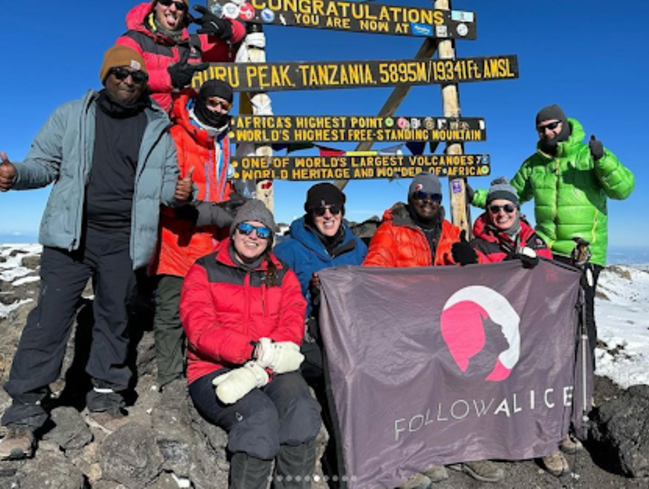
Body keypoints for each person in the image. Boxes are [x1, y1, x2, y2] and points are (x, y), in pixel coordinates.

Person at [0, 45, 192, 460]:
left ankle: (105, 398)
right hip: (70, 238)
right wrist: (16, 176)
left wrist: (178, 194)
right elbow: (43, 164)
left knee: (115, 318)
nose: (129, 82)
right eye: (121, 74)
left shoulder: (157, 127)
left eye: (138, 78)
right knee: (49, 321)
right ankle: (23, 411)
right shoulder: (71, 115)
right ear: (106, 75)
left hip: (124, 241)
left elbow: (169, 182)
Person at [470, 104, 635, 369]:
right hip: (545, 249)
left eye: (552, 126)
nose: (547, 132)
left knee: (582, 315)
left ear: (564, 124)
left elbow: (623, 189)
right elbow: (512, 195)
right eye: (541, 128)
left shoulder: (587, 155)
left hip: (583, 253)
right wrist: (474, 196)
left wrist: (603, 159)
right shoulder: (534, 163)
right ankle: (551, 371)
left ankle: (583, 377)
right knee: (544, 313)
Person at [364, 173, 504, 484]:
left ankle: (466, 447)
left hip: (446, 323)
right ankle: (417, 453)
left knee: (474, 369)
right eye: (421, 195)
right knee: (415, 378)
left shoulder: (452, 231)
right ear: (411, 197)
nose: (428, 201)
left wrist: (470, 260)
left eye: (435, 197)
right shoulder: (391, 231)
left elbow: (476, 274)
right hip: (404, 326)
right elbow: (372, 276)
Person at [181, 200, 322, 489]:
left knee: (302, 411)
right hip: (213, 369)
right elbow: (200, 329)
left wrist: (268, 358)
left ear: (270, 239)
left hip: (270, 366)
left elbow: (292, 319)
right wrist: (253, 351)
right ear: (233, 232)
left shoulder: (283, 275)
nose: (252, 236)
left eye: (262, 232)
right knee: (259, 418)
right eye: (246, 228)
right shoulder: (204, 270)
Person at [463, 177, 576, 477]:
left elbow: (552, 280)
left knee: (545, 371)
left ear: (517, 209)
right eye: (494, 208)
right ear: (487, 211)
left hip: (532, 323)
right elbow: (475, 285)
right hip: (493, 328)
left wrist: (539, 268)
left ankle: (546, 439)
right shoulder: (478, 242)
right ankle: (490, 439)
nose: (501, 213)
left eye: (507, 207)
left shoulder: (534, 239)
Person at [274, 183, 367, 487]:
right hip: (306, 336)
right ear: (309, 213)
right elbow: (276, 299)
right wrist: (309, 292)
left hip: (349, 332)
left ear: (343, 211)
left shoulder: (358, 248)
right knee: (341, 377)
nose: (328, 216)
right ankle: (345, 471)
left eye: (334, 209)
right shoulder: (287, 249)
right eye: (319, 210)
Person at [152, 78, 242, 391]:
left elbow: (224, 184)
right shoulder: (176, 135)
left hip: (213, 244)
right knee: (172, 313)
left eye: (225, 106)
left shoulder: (225, 141)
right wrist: (210, 210)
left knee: (211, 312)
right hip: (177, 241)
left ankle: (204, 372)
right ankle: (170, 380)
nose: (218, 110)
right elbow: (162, 193)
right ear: (200, 101)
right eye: (213, 103)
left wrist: (232, 203)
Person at [116, 0, 246, 115]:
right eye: (166, 2)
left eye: (179, 6)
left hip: (183, 127)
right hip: (141, 121)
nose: (172, 9)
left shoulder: (194, 44)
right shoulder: (133, 39)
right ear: (154, 6)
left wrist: (228, 29)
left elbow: (237, 52)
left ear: (184, 12)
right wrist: (168, 78)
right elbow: (120, 79)